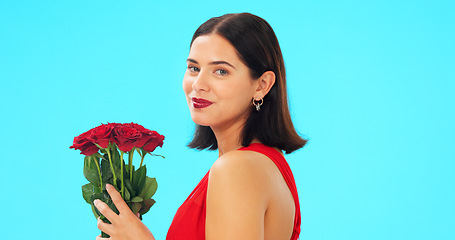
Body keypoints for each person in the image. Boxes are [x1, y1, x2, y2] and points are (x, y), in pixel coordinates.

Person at [93, 12, 307, 240]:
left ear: (262, 85)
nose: (198, 84)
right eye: (194, 68)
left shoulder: (236, 169)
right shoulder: (267, 164)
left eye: (221, 71)